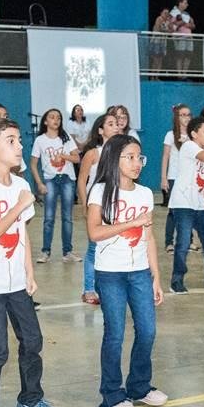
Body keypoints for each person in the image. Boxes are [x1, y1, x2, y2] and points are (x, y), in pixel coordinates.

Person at [0, 116, 67, 407]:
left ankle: (30, 402)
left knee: (33, 340)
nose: (19, 145)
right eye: (11, 141)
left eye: (19, 140)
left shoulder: (21, 185)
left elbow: (21, 232)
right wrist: (20, 204)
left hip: (16, 282)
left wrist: (29, 271)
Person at [87, 134, 166, 407]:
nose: (137, 163)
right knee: (115, 334)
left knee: (147, 330)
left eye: (139, 158)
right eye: (130, 157)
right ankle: (112, 395)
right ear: (114, 159)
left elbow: (149, 238)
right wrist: (131, 222)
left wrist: (156, 276)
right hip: (111, 274)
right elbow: (94, 232)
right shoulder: (100, 191)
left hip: (140, 272)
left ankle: (139, 387)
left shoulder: (144, 194)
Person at [167, 115, 204, 293]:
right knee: (183, 243)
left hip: (198, 204)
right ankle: (176, 280)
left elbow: (199, 181)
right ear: (194, 134)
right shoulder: (189, 146)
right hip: (183, 204)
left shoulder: (202, 153)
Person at [77, 111, 124, 306]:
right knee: (93, 248)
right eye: (110, 124)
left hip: (116, 204)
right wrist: (84, 205)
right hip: (97, 205)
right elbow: (82, 180)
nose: (116, 126)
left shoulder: (122, 152)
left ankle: (113, 287)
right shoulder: (93, 153)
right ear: (100, 130)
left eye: (117, 123)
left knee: (116, 245)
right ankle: (89, 289)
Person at [27, 107, 81, 264]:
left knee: (67, 217)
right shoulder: (40, 140)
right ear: (45, 121)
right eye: (52, 117)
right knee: (49, 217)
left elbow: (77, 158)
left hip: (67, 179)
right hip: (50, 179)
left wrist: (64, 156)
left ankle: (67, 252)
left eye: (58, 117)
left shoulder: (66, 137)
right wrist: (39, 183)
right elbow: (33, 164)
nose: (56, 120)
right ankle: (46, 252)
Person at [161, 104, 191, 209]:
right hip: (174, 176)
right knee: (174, 209)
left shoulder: (194, 135)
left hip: (189, 178)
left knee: (187, 207)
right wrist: (163, 178)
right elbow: (165, 157)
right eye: (183, 115)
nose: (187, 118)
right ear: (177, 118)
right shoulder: (170, 135)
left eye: (189, 115)